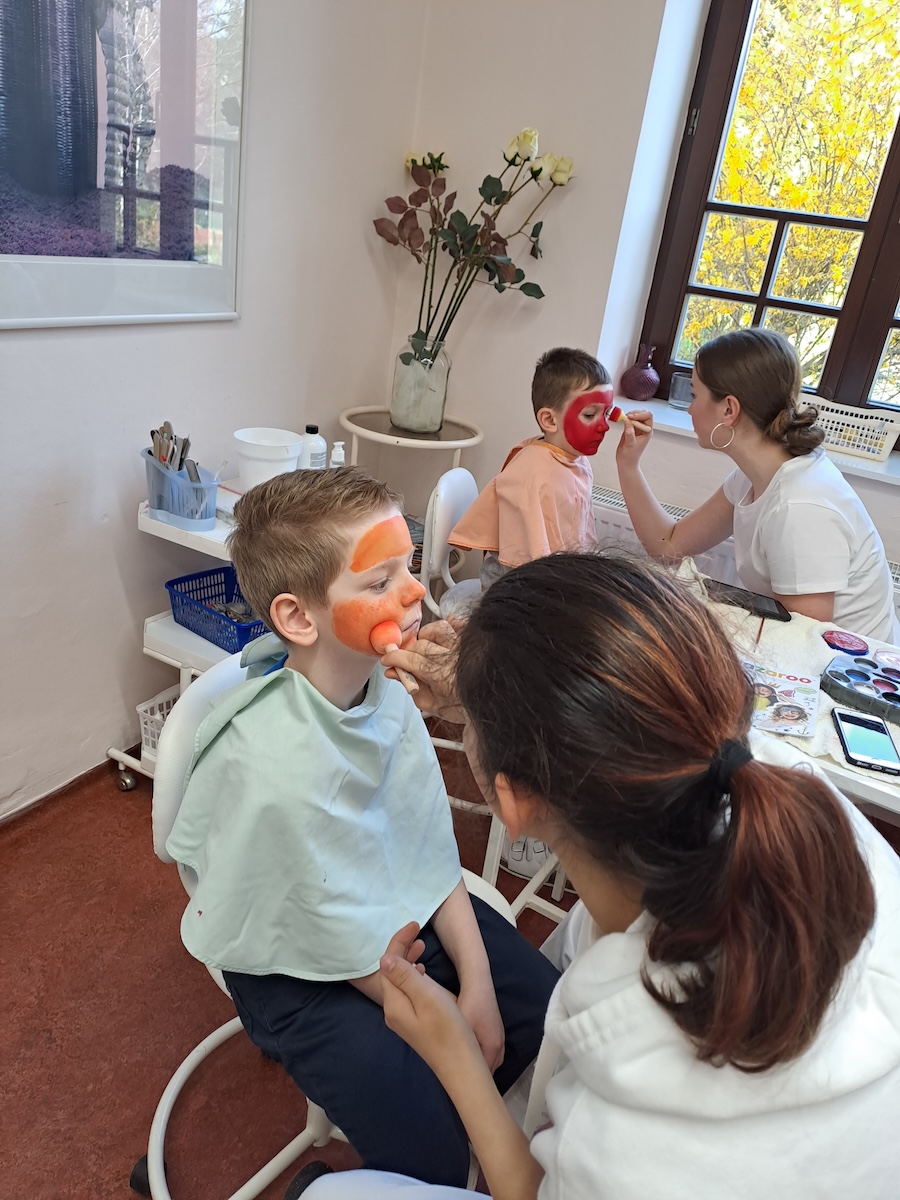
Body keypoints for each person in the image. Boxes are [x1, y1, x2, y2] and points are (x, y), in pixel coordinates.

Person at [303, 552, 900, 1200]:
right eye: (380, 578)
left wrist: (457, 1061)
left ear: (513, 803)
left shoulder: (632, 1147)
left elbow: (532, 1189)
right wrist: (483, 693)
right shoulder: (771, 781)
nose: (412, 594)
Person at [164, 467, 560, 1189]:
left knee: (540, 1007)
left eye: (409, 566)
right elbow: (320, 924)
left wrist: (474, 981)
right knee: (433, 1153)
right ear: (298, 619)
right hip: (294, 964)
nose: (413, 594)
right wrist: (444, 1036)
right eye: (380, 581)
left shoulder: (390, 698)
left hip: (385, 904)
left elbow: (427, 845)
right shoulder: (269, 762)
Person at [616, 327, 900, 642]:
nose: (691, 408)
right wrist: (628, 466)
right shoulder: (754, 477)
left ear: (729, 409)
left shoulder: (799, 506)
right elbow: (668, 546)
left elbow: (805, 641)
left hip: (845, 663)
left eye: (695, 395)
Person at [448, 347, 611, 590]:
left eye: (607, 413)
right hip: (512, 586)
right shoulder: (531, 474)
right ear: (549, 420)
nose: (604, 426)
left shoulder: (578, 462)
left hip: (554, 574)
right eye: (590, 415)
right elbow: (529, 560)